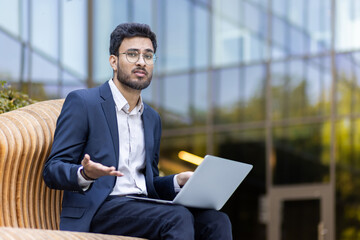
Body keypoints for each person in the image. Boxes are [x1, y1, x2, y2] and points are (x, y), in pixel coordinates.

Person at [43, 23, 232, 240]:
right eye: (132, 54)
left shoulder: (151, 117)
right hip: (101, 209)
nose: (141, 62)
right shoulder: (84, 103)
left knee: (217, 220)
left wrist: (177, 181)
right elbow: (52, 169)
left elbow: (148, 184)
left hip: (144, 207)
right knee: (177, 217)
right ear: (113, 61)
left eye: (148, 56)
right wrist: (85, 174)